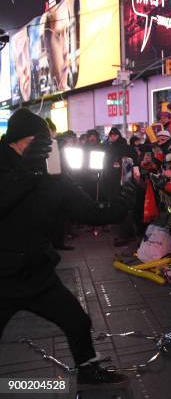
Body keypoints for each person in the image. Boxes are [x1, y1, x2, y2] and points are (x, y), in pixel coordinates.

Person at [0, 109, 135, 389]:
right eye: (39, 141)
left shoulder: (52, 174)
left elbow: (86, 209)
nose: (48, 147)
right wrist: (25, 173)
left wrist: (121, 205)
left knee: (77, 321)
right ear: (19, 142)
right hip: (1, 277)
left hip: (37, 274)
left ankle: (89, 371)